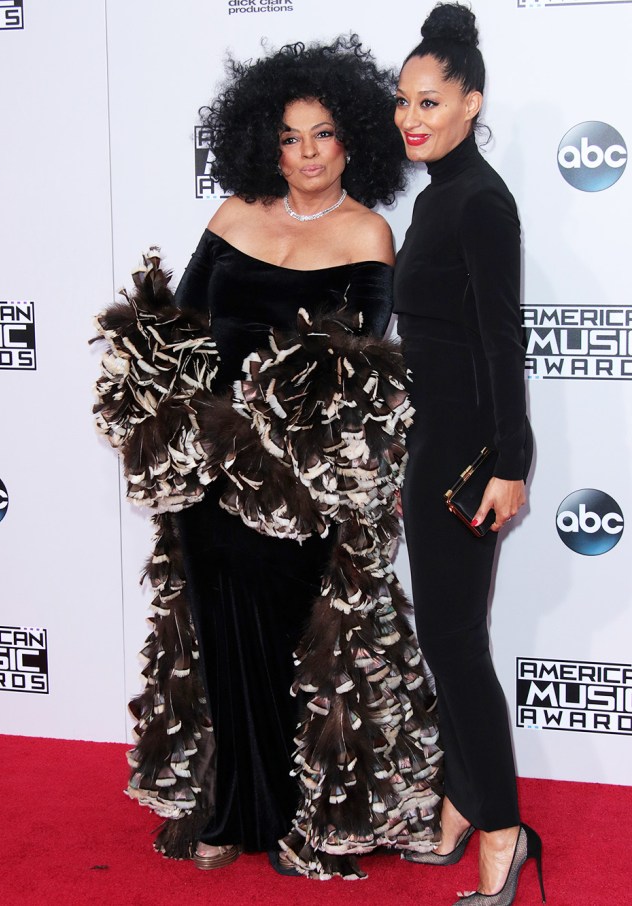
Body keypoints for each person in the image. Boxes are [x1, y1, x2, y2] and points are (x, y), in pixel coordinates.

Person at [93, 36, 442, 880]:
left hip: (299, 486)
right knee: (213, 634)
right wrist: (165, 413)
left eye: (324, 134)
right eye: (290, 137)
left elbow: (363, 359)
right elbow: (176, 328)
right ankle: (224, 810)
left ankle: (300, 817)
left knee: (297, 645)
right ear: (264, 141)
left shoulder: (369, 232)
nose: (308, 153)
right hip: (208, 475)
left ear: (352, 138)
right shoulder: (232, 216)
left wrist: (271, 425)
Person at [392, 5, 544, 906]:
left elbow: (503, 339)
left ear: (471, 103)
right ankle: (458, 802)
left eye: (432, 101)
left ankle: (502, 832)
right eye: (403, 101)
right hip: (431, 450)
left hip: (470, 459)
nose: (413, 117)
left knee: (454, 642)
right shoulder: (434, 194)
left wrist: (511, 462)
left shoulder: (481, 200)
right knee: (445, 639)